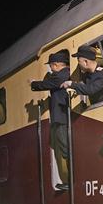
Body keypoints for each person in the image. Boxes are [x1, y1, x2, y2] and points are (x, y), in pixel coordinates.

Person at [31, 49, 72, 190]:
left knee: (66, 149)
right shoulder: (62, 75)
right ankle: (69, 181)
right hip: (61, 118)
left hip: (61, 119)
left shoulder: (63, 75)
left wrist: (33, 83)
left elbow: (46, 84)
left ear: (56, 65)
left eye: (51, 66)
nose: (50, 69)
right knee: (64, 148)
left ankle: (71, 182)